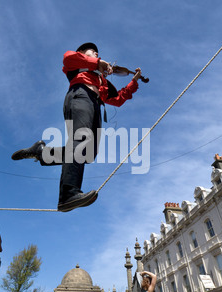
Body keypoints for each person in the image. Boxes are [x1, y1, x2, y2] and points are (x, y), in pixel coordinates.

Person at [12, 43, 142, 212]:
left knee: (88, 154)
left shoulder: (102, 81)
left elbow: (117, 99)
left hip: (95, 104)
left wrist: (134, 81)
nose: (96, 52)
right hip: (80, 96)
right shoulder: (78, 64)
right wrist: (97, 62)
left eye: (97, 52)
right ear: (82, 53)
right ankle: (68, 194)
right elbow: (68, 58)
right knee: (81, 139)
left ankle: (42, 152)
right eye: (92, 51)